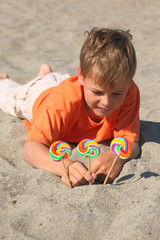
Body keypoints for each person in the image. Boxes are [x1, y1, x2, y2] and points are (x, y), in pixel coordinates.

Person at [0, 27, 140, 187]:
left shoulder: (128, 90)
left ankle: (47, 74)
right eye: (98, 92)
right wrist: (66, 166)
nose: (107, 102)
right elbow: (30, 149)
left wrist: (117, 157)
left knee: (60, 83)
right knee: (8, 97)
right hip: (38, 94)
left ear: (129, 82)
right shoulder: (65, 102)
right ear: (81, 77)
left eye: (116, 94)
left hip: (67, 83)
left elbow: (131, 142)